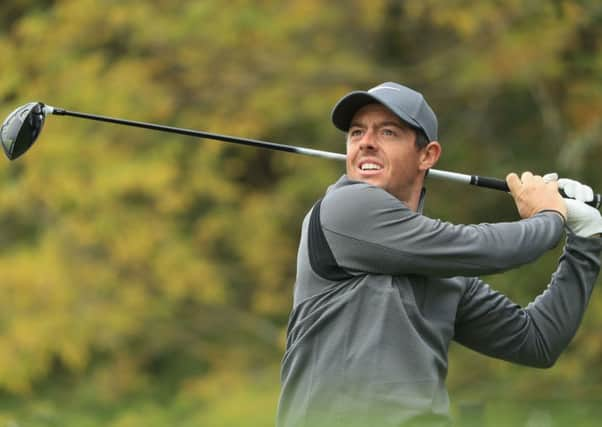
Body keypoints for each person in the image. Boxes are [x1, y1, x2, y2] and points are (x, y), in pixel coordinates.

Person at [276, 82, 602, 427]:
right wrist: (550, 215)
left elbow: (536, 341)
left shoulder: (442, 267)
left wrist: (586, 240)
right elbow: (485, 247)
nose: (365, 142)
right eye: (356, 132)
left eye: (388, 132)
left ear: (427, 155)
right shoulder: (344, 207)